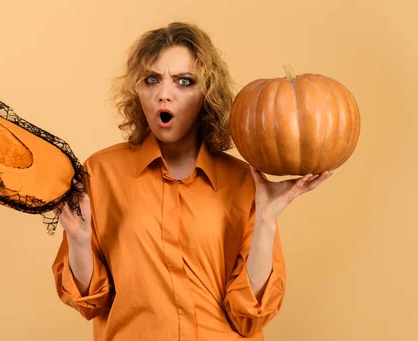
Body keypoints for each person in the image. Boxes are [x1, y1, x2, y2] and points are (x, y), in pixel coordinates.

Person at [51, 21, 332, 341]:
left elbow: (249, 318)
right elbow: (91, 302)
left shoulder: (244, 182)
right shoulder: (101, 172)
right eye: (152, 79)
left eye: (184, 81)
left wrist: (266, 220)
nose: (164, 94)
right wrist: (78, 239)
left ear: (206, 94)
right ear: (137, 91)